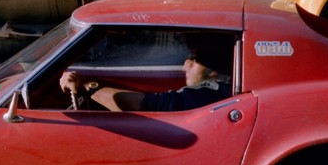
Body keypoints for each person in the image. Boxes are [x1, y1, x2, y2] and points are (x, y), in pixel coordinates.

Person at [59, 37, 233, 112]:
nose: (185, 66)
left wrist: (84, 86)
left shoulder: (207, 94)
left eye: (194, 60)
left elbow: (145, 106)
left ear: (213, 71)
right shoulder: (221, 91)